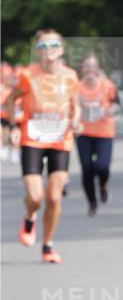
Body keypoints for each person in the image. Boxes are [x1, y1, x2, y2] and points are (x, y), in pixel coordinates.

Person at [6, 30, 80, 264]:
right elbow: (11, 99)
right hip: (33, 139)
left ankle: (48, 246)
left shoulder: (70, 76)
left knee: (55, 197)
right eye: (42, 46)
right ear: (37, 51)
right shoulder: (28, 75)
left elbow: (75, 105)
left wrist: (76, 119)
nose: (48, 50)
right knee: (36, 197)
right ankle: (30, 217)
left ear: (61, 49)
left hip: (60, 139)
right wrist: (14, 126)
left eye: (53, 45)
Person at [76, 54, 119, 216]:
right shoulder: (76, 87)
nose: (90, 69)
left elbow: (116, 103)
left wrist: (112, 109)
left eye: (93, 66)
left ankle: (102, 185)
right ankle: (92, 202)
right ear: (82, 69)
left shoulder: (107, 85)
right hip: (83, 132)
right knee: (87, 169)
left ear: (98, 69)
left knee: (102, 167)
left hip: (104, 132)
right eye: (86, 66)